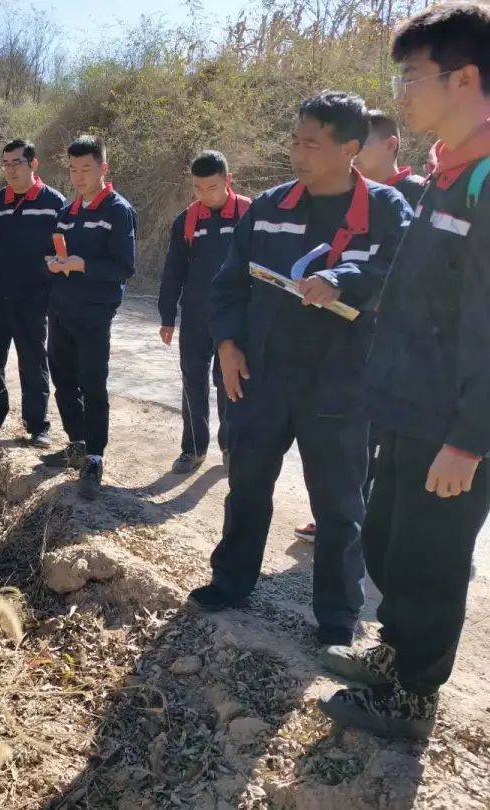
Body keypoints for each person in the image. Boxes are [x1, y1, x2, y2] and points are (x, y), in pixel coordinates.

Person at [186, 92, 412, 652]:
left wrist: (344, 278)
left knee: (338, 505)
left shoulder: (385, 210)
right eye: (295, 140)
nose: (298, 152)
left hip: (340, 383)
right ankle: (231, 582)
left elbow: (399, 271)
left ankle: (336, 619)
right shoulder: (269, 206)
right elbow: (229, 284)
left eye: (311, 143)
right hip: (261, 375)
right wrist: (228, 345)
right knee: (247, 487)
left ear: (350, 149)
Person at [319, 1, 490, 740]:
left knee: (430, 558)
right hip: (408, 407)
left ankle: (414, 696)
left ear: (466, 78)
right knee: (390, 541)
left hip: (453, 422)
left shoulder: (486, 179)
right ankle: (394, 656)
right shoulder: (445, 172)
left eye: (413, 76)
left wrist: (470, 438)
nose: (402, 92)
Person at [295, 111, 427, 543]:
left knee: (391, 438)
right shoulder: (340, 195)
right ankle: (343, 515)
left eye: (363, 143)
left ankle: (408, 532)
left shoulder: (416, 196)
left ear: (390, 145)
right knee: (349, 436)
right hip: (347, 335)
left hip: (399, 338)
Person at [46, 135, 137, 499]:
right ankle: (77, 443)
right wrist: (53, 263)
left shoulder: (118, 210)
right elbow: (53, 249)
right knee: (63, 379)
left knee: (92, 383)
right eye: (73, 169)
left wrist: (83, 264)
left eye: (86, 168)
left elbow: (124, 267)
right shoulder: (68, 211)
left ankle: (96, 455)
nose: (79, 176)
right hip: (61, 308)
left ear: (103, 168)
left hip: (95, 313)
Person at [0, 138, 66, 446]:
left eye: (17, 163)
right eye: (6, 164)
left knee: (34, 362)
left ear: (33, 164)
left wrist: (58, 299)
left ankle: (37, 426)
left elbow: (62, 255)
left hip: (34, 301)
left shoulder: (54, 204)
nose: (10, 170)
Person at [158, 151, 250, 475]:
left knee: (230, 384)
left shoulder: (248, 214)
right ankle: (193, 448)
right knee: (192, 380)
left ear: (228, 181)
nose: (204, 194)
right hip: (196, 316)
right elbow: (173, 271)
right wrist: (167, 315)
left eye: (211, 187)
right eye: (198, 188)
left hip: (237, 319)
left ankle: (231, 447)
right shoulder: (187, 220)